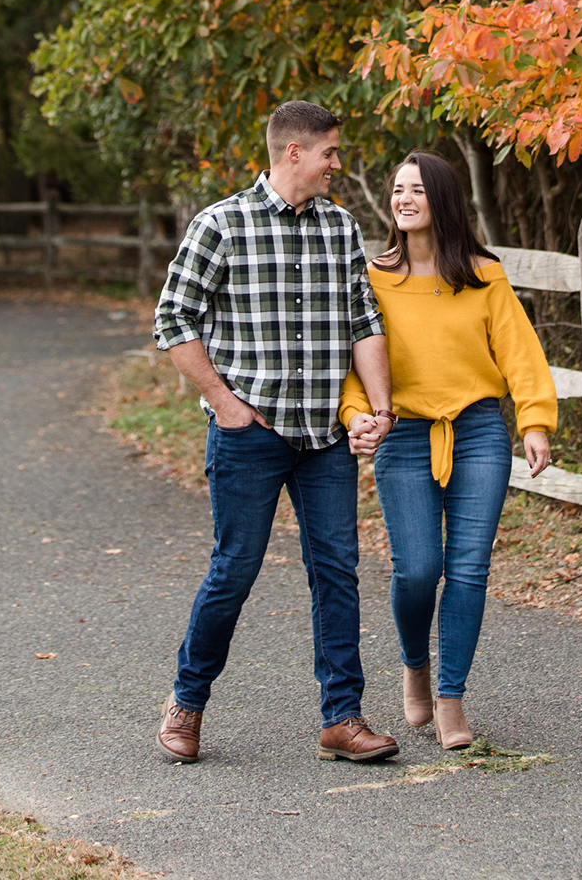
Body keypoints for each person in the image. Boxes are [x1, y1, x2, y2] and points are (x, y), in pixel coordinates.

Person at [153, 100, 399, 765]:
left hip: (323, 440)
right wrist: (222, 402)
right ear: (294, 153)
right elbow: (173, 320)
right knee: (234, 570)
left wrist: (379, 407)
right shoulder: (221, 225)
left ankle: (342, 720)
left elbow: (362, 320)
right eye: (330, 154)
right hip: (250, 435)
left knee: (337, 573)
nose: (336, 166)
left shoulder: (341, 228)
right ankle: (187, 701)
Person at [340, 150, 557, 750]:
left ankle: (451, 698)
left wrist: (535, 421)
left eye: (416, 190)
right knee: (418, 569)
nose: (403, 199)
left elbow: (520, 353)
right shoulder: (372, 277)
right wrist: (357, 415)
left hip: (480, 432)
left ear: (443, 199)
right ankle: (415, 665)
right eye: (396, 190)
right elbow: (357, 360)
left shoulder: (484, 275)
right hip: (405, 436)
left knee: (468, 569)